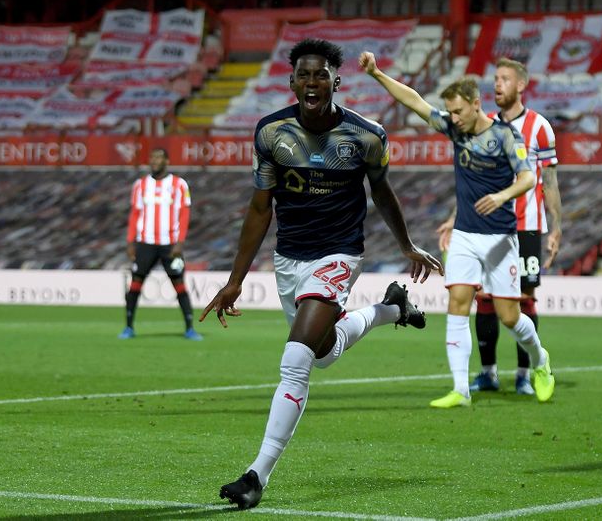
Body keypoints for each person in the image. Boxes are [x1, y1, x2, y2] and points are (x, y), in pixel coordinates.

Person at [200, 38, 443, 510]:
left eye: (321, 75)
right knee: (325, 352)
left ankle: (256, 476)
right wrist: (235, 279)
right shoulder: (271, 133)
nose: (312, 82)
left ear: (336, 80)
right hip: (289, 260)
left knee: (296, 359)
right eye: (303, 75)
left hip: (339, 255)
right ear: (292, 81)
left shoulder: (366, 136)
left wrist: (406, 244)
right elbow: (258, 208)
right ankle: (392, 308)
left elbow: (383, 194)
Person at [360, 51, 556, 409]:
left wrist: (502, 196)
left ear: (475, 104)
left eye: (458, 111)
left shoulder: (506, 136)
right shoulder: (454, 128)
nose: (452, 118)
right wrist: (377, 74)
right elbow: (415, 102)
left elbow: (528, 177)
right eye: (449, 112)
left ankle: (541, 360)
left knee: (510, 317)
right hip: (465, 235)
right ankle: (460, 389)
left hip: (500, 237)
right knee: (458, 304)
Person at [436, 58, 563, 395]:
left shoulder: (540, 126)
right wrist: (453, 217)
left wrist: (556, 228)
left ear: (521, 85)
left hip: (528, 227)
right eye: (495, 78)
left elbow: (548, 181)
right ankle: (487, 372)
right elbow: (474, 181)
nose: (497, 84)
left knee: (523, 301)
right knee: (483, 300)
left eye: (505, 78)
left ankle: (525, 373)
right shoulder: (484, 124)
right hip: (486, 225)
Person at [118, 148, 203, 341]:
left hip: (170, 244)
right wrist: (130, 241)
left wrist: (180, 243)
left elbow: (184, 214)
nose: (154, 160)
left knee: (179, 284)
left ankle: (190, 328)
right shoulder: (140, 185)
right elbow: (134, 215)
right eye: (152, 157)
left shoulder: (179, 184)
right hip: (145, 243)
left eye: (159, 157)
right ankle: (129, 327)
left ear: (167, 160)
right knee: (135, 284)